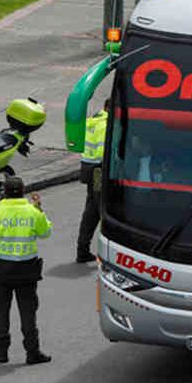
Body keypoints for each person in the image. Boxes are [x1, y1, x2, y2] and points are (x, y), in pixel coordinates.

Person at [0, 176, 53, 366]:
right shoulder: (32, 212)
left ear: (5, 193)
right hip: (27, 271)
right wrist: (39, 209)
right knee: (28, 312)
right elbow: (45, 233)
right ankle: (33, 352)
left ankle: (1, 351)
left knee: (1, 312)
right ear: (23, 190)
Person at [75, 99, 108, 263]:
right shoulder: (106, 124)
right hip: (99, 171)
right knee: (103, 210)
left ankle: (82, 250)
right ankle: (108, 253)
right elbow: (103, 153)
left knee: (92, 210)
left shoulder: (91, 121)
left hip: (88, 169)